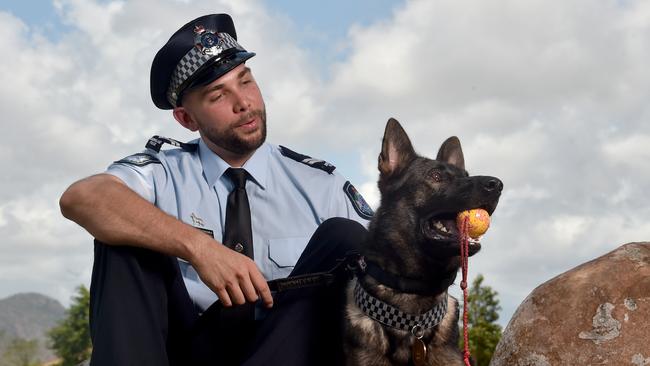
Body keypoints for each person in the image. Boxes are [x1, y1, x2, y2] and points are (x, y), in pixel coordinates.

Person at [59, 13, 373, 366]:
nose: (244, 103)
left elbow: (398, 273)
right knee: (123, 232)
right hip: (187, 351)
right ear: (186, 119)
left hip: (287, 350)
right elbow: (81, 198)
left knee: (347, 237)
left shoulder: (320, 186)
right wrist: (199, 248)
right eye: (218, 95)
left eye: (246, 81)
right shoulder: (164, 173)